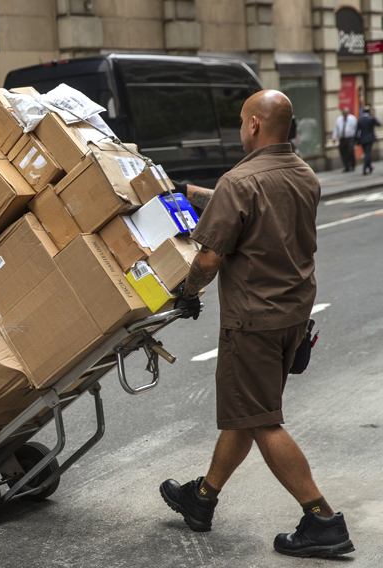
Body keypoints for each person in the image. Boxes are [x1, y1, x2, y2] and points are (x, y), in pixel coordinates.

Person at [163, 90, 355, 558]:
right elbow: (257, 208)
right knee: (248, 411)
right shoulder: (305, 175)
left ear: (253, 124)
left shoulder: (239, 181)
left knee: (263, 419)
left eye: (240, 123)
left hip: (252, 321)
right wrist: (190, 192)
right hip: (292, 316)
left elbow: (208, 258)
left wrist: (186, 294)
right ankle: (202, 499)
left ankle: (322, 520)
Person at [331, 107, 357, 171]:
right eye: (343, 113)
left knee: (350, 151)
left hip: (350, 138)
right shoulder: (339, 119)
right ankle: (346, 166)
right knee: (343, 152)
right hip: (342, 139)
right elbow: (336, 128)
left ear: (348, 113)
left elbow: (356, 128)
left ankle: (353, 164)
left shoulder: (352, 119)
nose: (344, 114)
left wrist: (357, 137)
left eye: (345, 113)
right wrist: (334, 137)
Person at [355, 106, 379, 175]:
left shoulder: (360, 120)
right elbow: (378, 123)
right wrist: (373, 116)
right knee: (367, 153)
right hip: (370, 138)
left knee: (366, 153)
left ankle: (369, 166)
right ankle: (365, 168)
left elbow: (357, 130)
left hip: (362, 139)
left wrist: (356, 139)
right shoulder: (371, 119)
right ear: (369, 112)